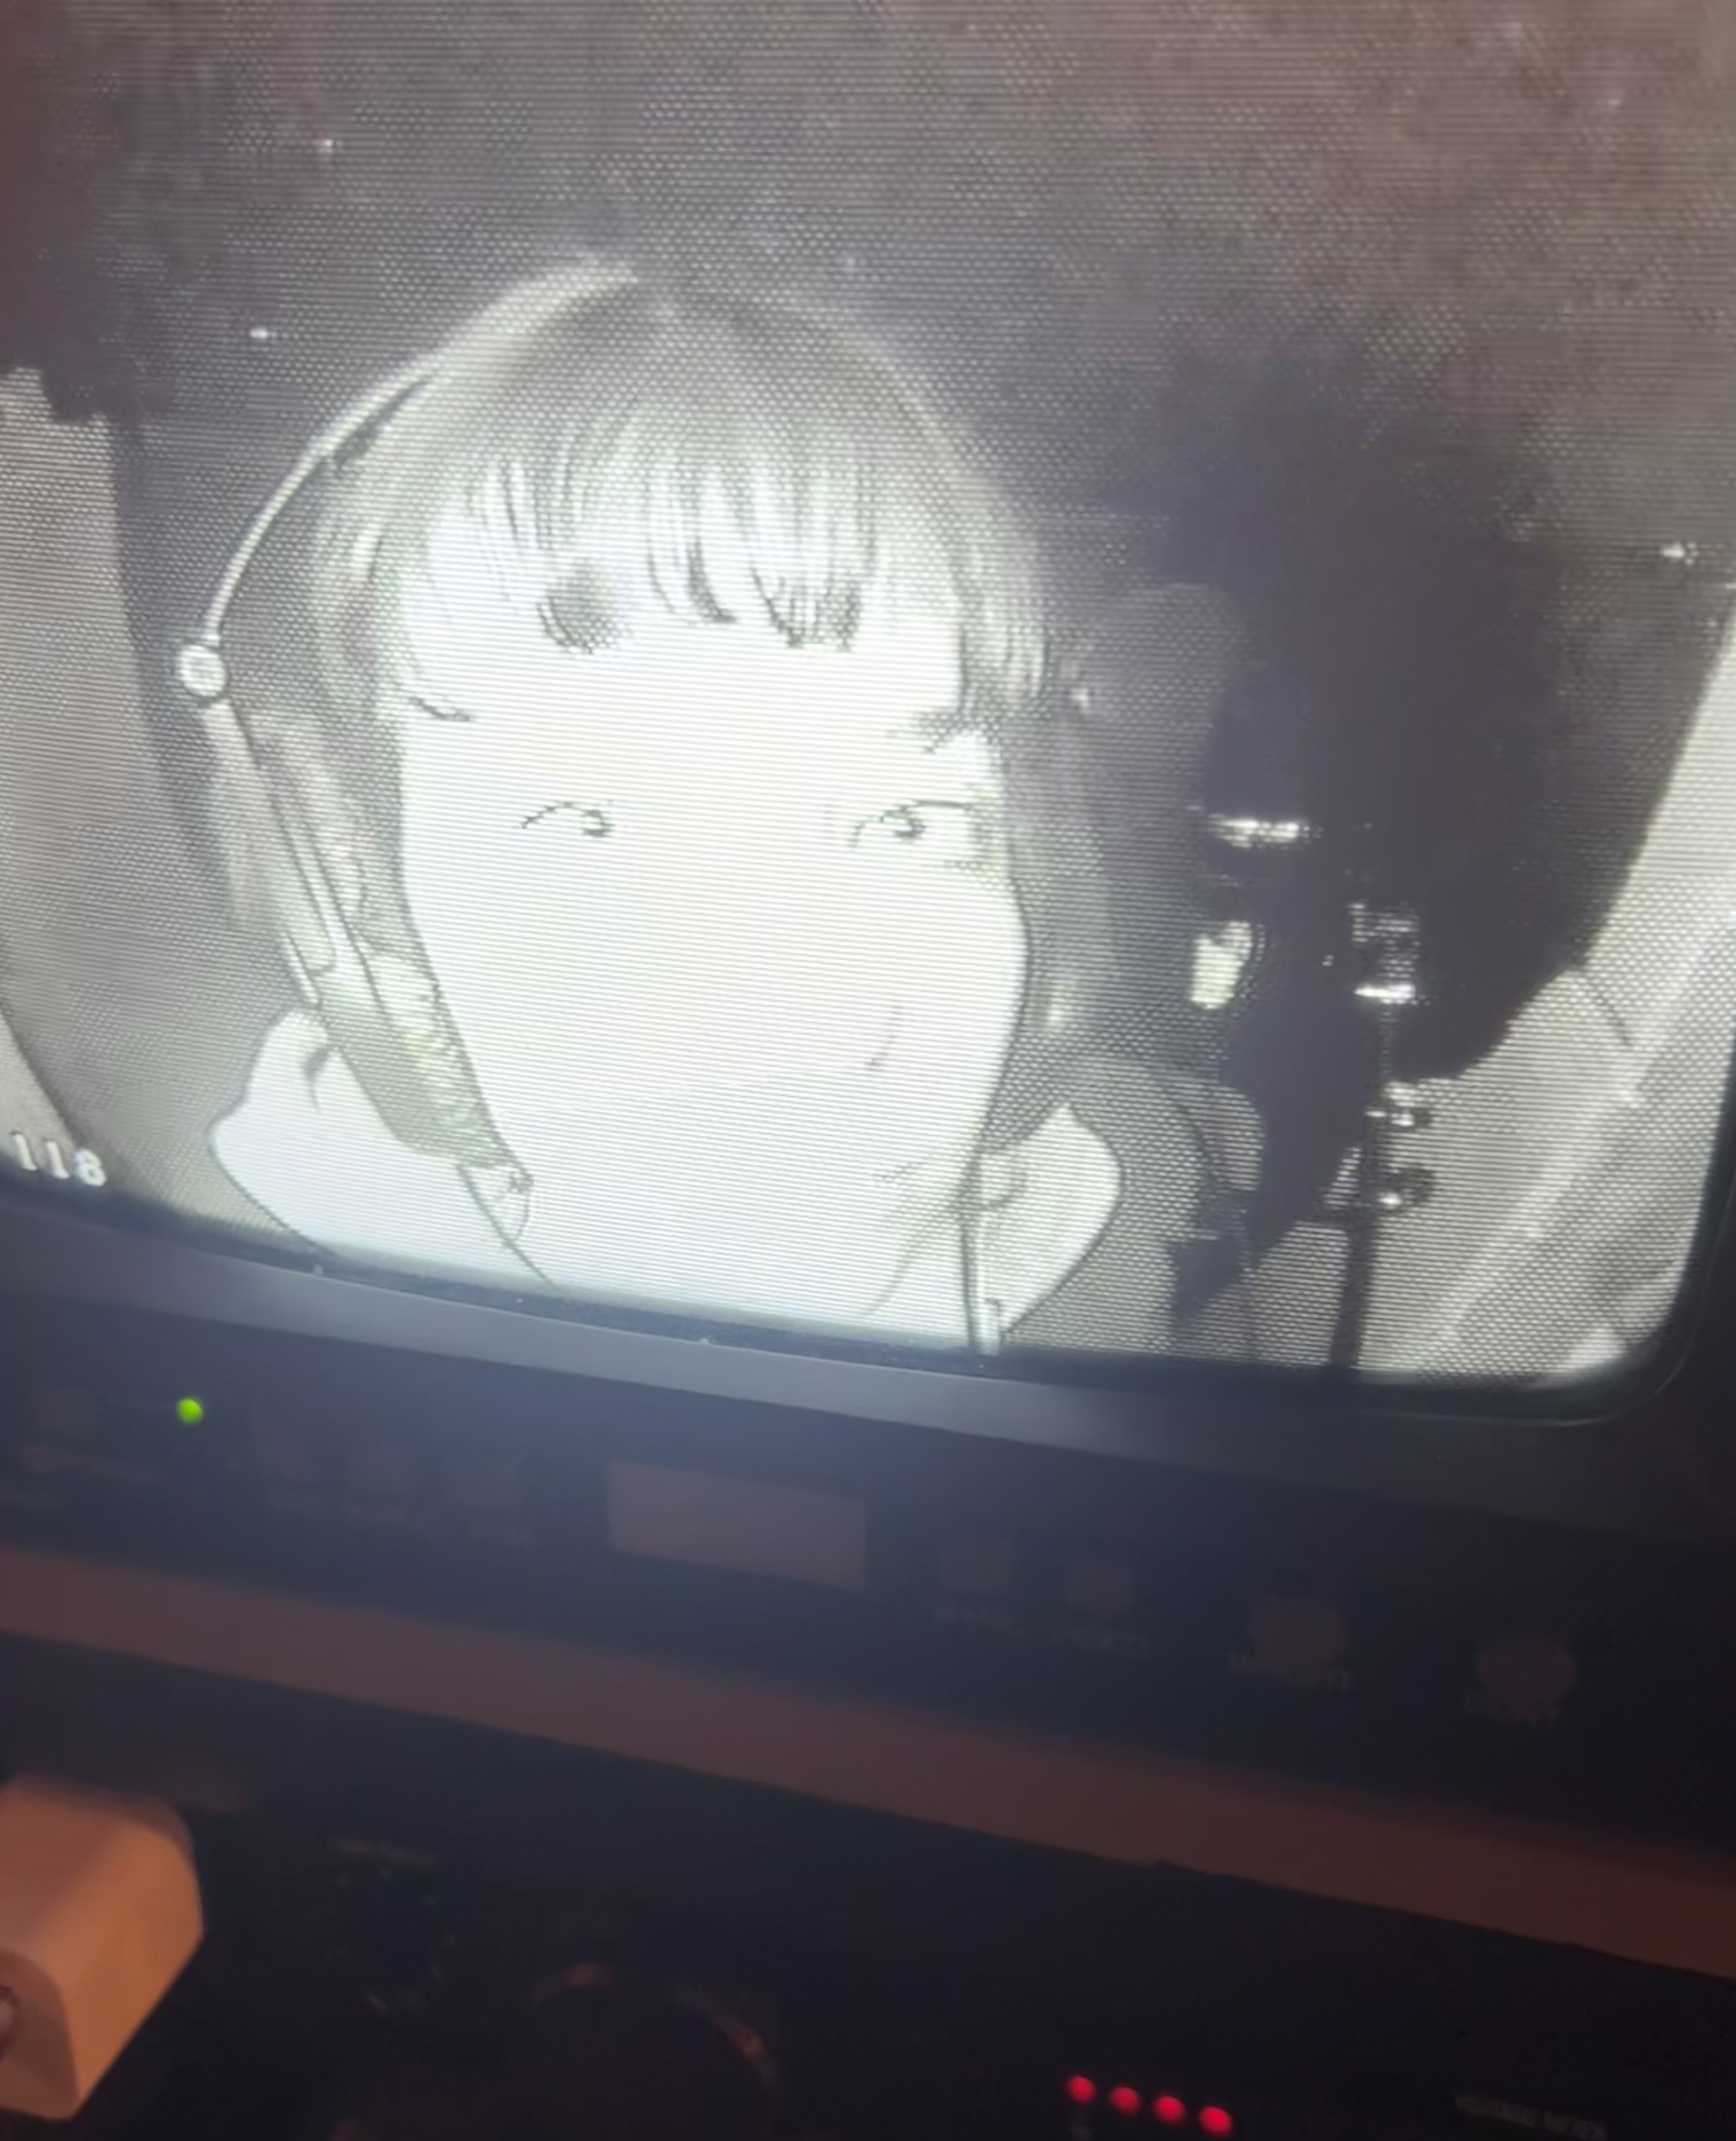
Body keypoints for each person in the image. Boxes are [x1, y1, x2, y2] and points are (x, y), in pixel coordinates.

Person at [208, 263, 1141, 1348]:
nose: (819, 1033)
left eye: (907, 824)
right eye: (587, 829)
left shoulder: (1129, 1286)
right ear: (353, 909)